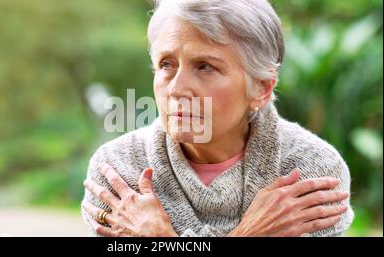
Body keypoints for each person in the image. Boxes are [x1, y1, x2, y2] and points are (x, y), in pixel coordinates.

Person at [81, 0, 354, 237]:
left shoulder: (309, 171)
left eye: (205, 66)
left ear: (261, 88)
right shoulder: (119, 169)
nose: (176, 89)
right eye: (167, 64)